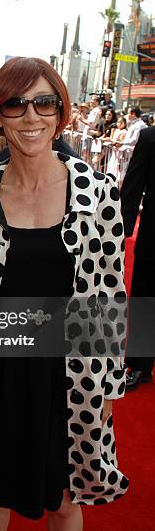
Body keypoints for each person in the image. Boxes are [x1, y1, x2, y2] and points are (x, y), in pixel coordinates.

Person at [0, 57, 128, 529]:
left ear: (61, 112)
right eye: (16, 104)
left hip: (69, 370)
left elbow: (108, 293)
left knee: (68, 499)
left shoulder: (98, 194)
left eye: (44, 102)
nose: (31, 117)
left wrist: (107, 381)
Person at [120, 126, 155, 389]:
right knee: (146, 300)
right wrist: (119, 235)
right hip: (153, 237)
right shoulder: (150, 137)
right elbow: (132, 187)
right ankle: (140, 365)